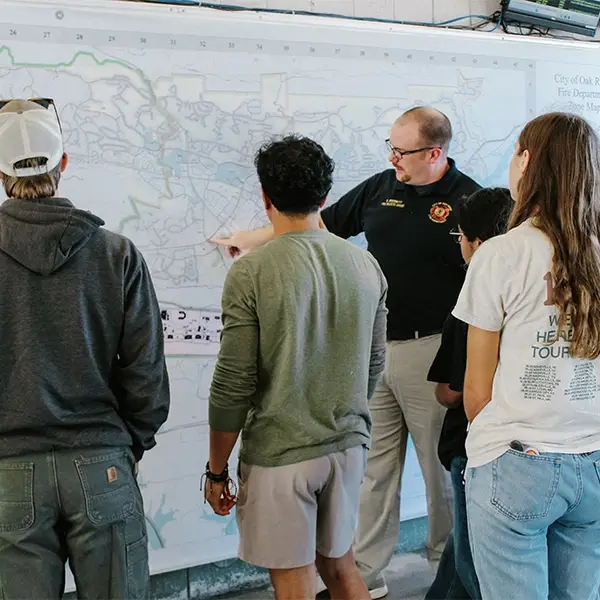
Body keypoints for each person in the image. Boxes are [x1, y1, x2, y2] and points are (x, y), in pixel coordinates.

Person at [212, 106, 481, 598]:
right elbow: (318, 222)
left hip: (434, 352)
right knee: (375, 472)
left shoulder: (470, 201)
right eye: (391, 148)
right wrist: (247, 241)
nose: (394, 159)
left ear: (435, 152)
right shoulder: (382, 187)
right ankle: (368, 571)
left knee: (439, 475)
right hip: (378, 353)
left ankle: (449, 574)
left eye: (403, 152)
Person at [204, 134, 388, 600]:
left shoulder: (250, 272)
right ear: (324, 198)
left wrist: (217, 469)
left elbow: (233, 383)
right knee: (342, 569)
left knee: (294, 583)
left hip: (281, 455)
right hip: (347, 445)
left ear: (265, 197)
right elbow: (374, 365)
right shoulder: (367, 266)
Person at [0, 99, 170, 599]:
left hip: (8, 472)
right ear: (64, 164)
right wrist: (129, 441)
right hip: (102, 463)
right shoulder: (116, 253)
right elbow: (146, 374)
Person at [453, 112, 600, 599]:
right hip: (593, 459)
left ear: (528, 162)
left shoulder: (501, 253)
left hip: (516, 460)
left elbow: (476, 389)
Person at [424, 188, 513, 600]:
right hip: (525, 443)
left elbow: (454, 392)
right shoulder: (530, 289)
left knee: (473, 559)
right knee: (463, 547)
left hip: (473, 446)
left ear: (475, 242)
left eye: (459, 235)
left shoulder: (469, 306)